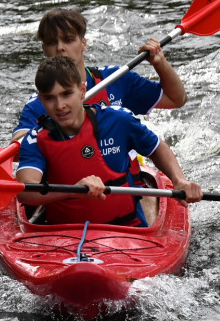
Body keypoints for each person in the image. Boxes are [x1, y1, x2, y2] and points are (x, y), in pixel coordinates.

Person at [16, 55, 202, 226]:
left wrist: (179, 180)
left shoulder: (118, 120)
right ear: (41, 99)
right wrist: (74, 190)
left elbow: (156, 147)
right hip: (64, 237)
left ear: (82, 91)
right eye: (50, 98)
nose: (60, 106)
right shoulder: (35, 138)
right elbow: (26, 191)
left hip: (126, 231)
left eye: (66, 94)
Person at [11, 8, 188, 141]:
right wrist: (50, 126)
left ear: (83, 44)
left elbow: (176, 99)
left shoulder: (116, 78)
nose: (60, 48)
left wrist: (160, 64)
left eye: (69, 40)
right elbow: (17, 146)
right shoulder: (41, 102)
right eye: (51, 42)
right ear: (44, 50)